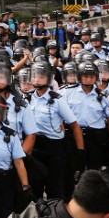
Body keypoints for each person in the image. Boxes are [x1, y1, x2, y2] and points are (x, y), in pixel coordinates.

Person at [26, 61, 85, 200]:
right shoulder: (27, 98)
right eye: (34, 76)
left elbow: (74, 125)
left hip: (54, 148)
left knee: (55, 187)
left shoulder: (58, 99)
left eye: (41, 77)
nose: (37, 80)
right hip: (34, 146)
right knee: (34, 186)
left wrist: (81, 151)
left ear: (49, 79)